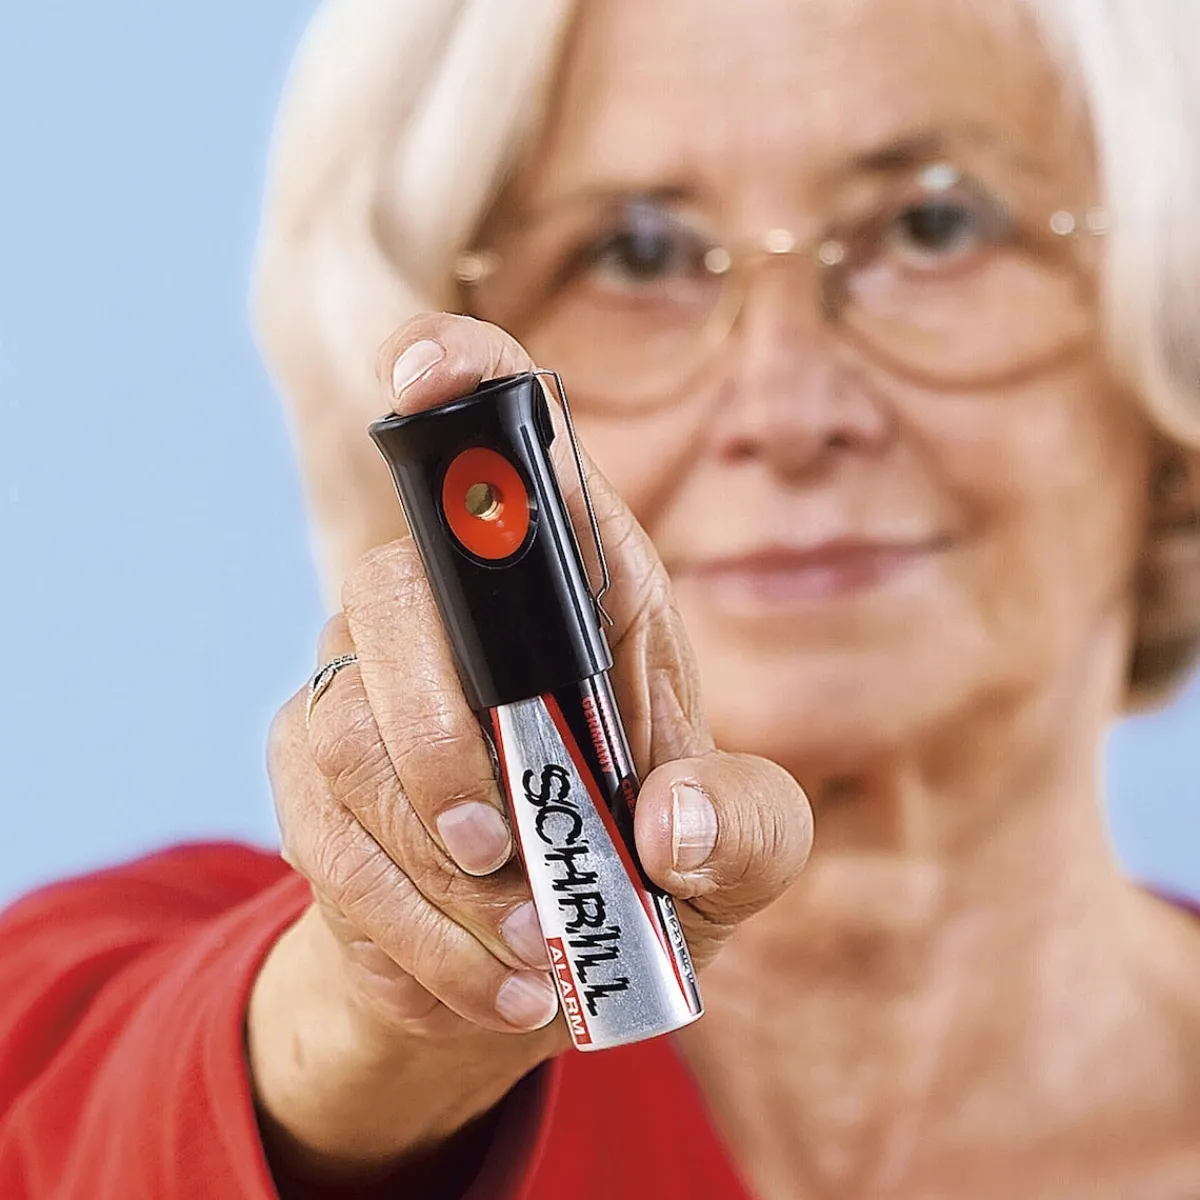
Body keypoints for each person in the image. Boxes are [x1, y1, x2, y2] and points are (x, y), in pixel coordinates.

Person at [3, 0, 1200, 1196]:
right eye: (637, 255)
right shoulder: (84, 1015)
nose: (785, 409)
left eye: (934, 228)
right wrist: (391, 1025)